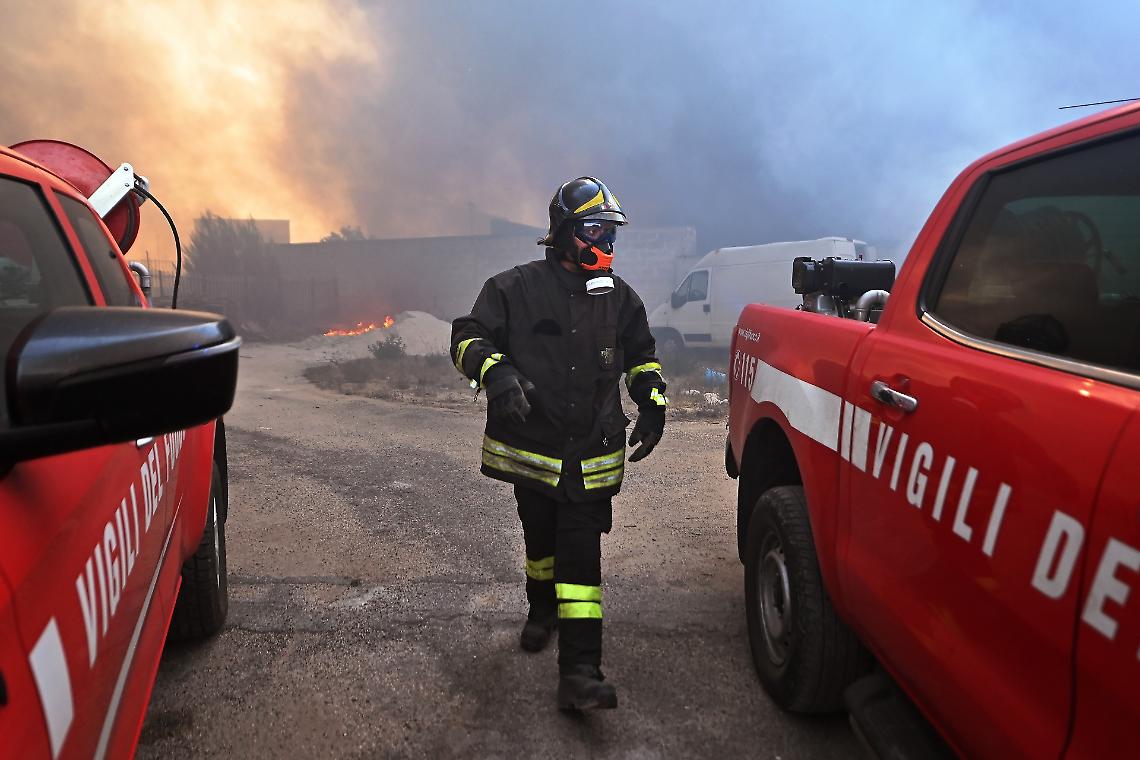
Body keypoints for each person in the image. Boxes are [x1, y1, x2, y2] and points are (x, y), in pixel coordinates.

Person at [451, 176, 667, 711]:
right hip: (534, 446)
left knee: (580, 560)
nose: (606, 241)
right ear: (566, 231)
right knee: (540, 542)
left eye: (611, 231)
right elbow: (466, 336)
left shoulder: (620, 298)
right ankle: (541, 610)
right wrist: (497, 375)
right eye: (595, 229)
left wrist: (653, 402)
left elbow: (642, 357)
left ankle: (580, 671)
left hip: (592, 452)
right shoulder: (515, 288)